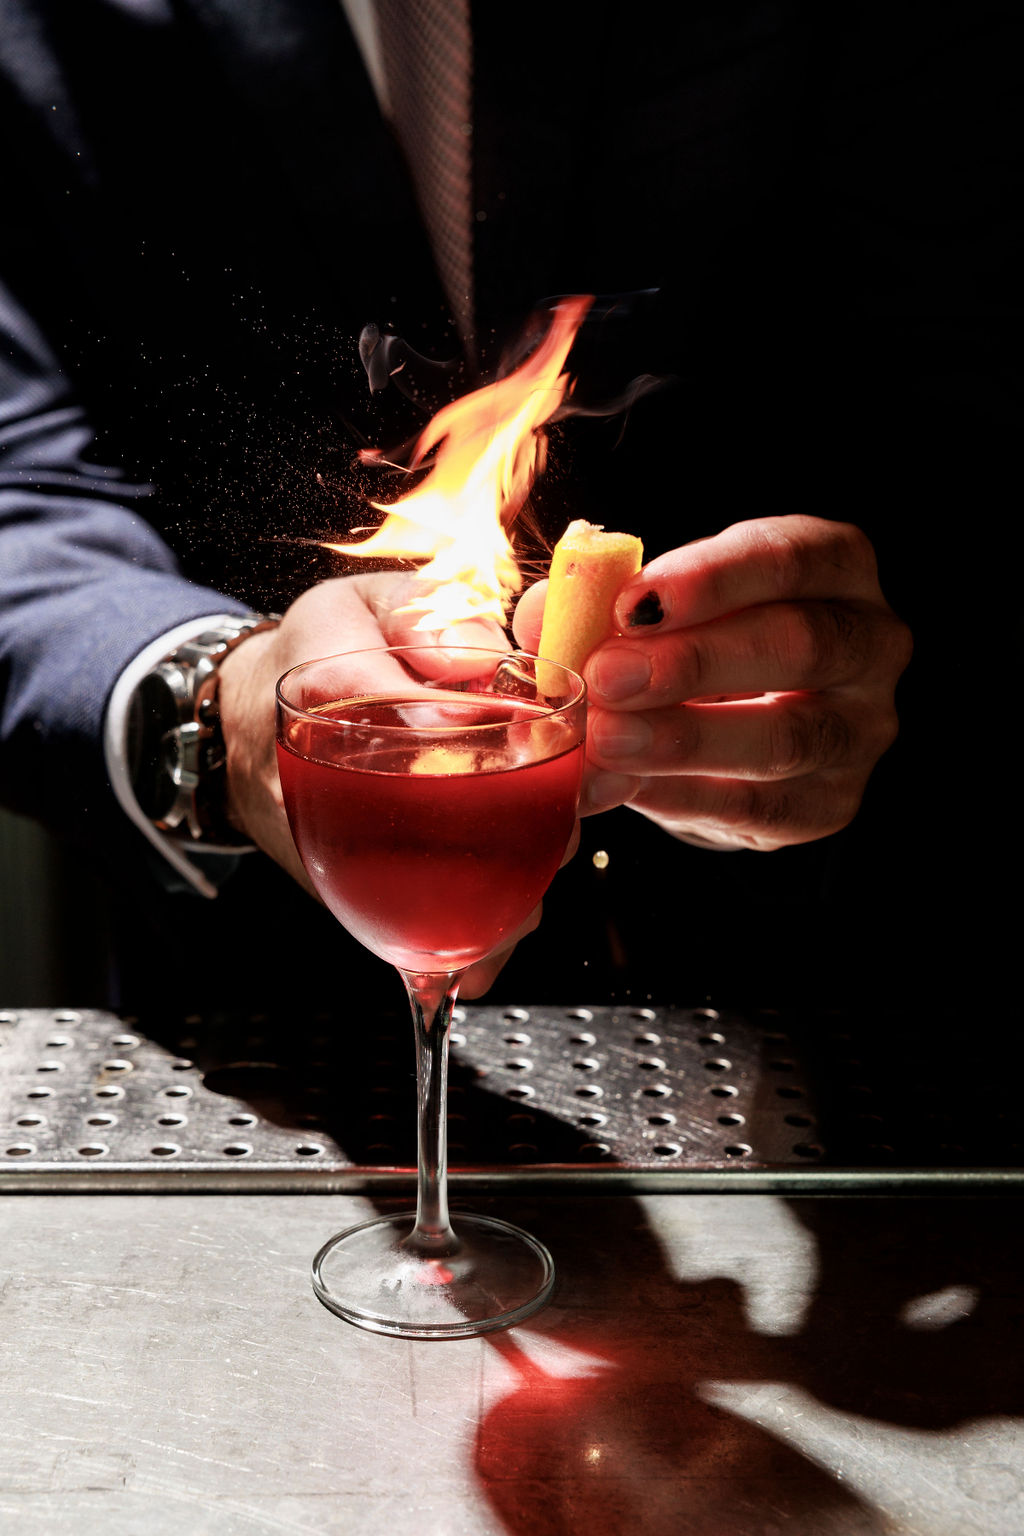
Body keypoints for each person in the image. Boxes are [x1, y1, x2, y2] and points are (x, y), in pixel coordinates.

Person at [0, 2, 1012, 1020]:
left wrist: (847, 646)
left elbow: (958, 387)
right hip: (263, 1003)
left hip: (808, 995)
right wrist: (216, 699)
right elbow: (17, 499)